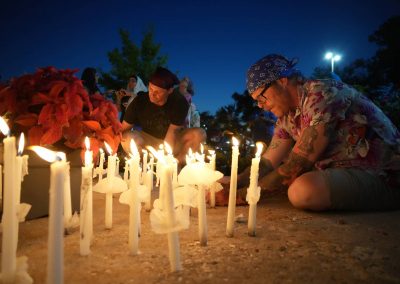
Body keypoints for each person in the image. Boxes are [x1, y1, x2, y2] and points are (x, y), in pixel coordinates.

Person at [219, 54, 400, 211]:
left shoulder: (323, 95)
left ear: (282, 81)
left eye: (262, 97)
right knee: (293, 187)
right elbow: (268, 162)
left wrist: (238, 196)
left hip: (384, 174)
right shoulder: (286, 117)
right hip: (346, 173)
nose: (260, 105)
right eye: (256, 101)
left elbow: (297, 165)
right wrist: (237, 182)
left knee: (304, 190)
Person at [121, 67, 206, 163]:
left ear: (169, 91)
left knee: (199, 134)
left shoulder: (179, 102)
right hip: (147, 141)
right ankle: (144, 165)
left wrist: (165, 160)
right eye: (151, 89)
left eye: (158, 92)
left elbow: (172, 133)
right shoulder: (139, 101)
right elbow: (123, 129)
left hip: (173, 142)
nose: (152, 95)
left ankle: (176, 166)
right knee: (126, 138)